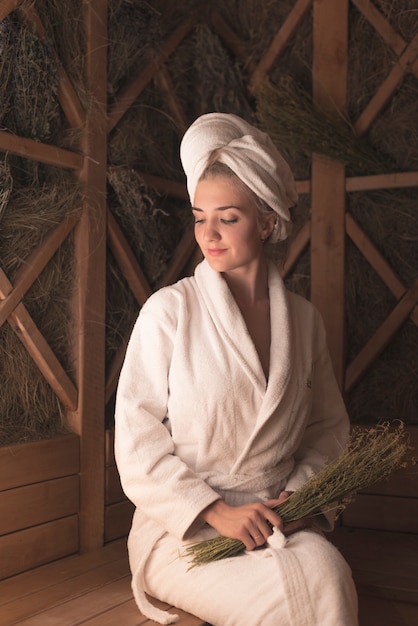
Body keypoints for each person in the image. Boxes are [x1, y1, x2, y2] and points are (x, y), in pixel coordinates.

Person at [114, 112, 359, 625]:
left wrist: (302, 496)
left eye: (228, 217)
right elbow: (136, 439)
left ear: (267, 222)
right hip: (184, 526)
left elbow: (327, 428)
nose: (209, 234)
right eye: (200, 217)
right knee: (280, 602)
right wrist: (213, 511)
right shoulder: (169, 311)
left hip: (275, 519)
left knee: (328, 576)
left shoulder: (304, 321)